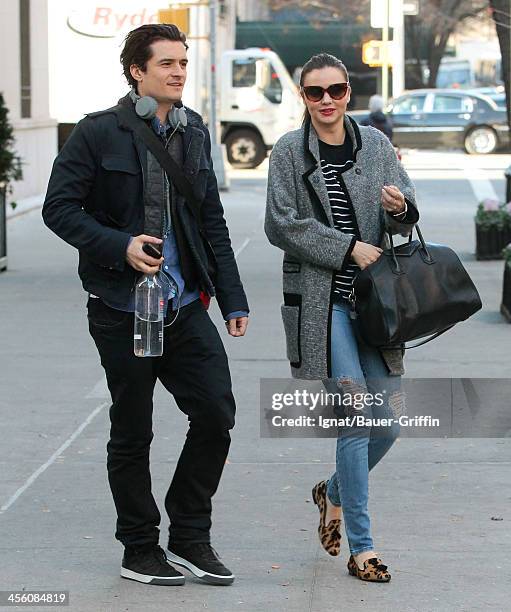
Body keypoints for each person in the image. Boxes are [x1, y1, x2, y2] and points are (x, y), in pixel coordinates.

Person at [43, 23, 249, 587]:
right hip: (121, 308)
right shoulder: (97, 133)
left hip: (184, 305)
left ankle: (189, 536)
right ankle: (140, 547)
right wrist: (121, 246)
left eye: (183, 62)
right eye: (167, 64)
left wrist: (231, 296)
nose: (179, 71)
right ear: (138, 71)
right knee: (133, 430)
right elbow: (58, 209)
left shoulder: (195, 132)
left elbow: (211, 219)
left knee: (216, 413)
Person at [265, 53, 419, 582]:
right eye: (314, 93)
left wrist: (400, 209)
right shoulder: (289, 151)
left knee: (390, 424)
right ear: (303, 97)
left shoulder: (374, 144)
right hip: (321, 302)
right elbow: (280, 224)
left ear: (349, 92)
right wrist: (346, 248)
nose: (326, 101)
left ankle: (330, 491)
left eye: (335, 90)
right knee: (356, 419)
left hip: (375, 306)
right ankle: (363, 547)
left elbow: (406, 210)